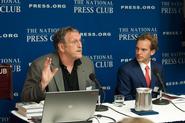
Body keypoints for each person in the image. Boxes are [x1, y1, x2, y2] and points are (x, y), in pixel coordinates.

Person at [21, 26, 96, 102]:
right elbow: (25, 98)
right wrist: (42, 84)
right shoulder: (40, 65)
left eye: (80, 41)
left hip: (82, 113)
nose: (80, 45)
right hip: (54, 114)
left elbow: (92, 97)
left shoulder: (87, 64)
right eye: (74, 42)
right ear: (61, 47)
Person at [115, 32, 164, 100]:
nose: (138, 53)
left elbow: (162, 91)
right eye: (137, 49)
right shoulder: (125, 70)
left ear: (152, 52)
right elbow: (125, 96)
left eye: (143, 50)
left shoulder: (158, 68)